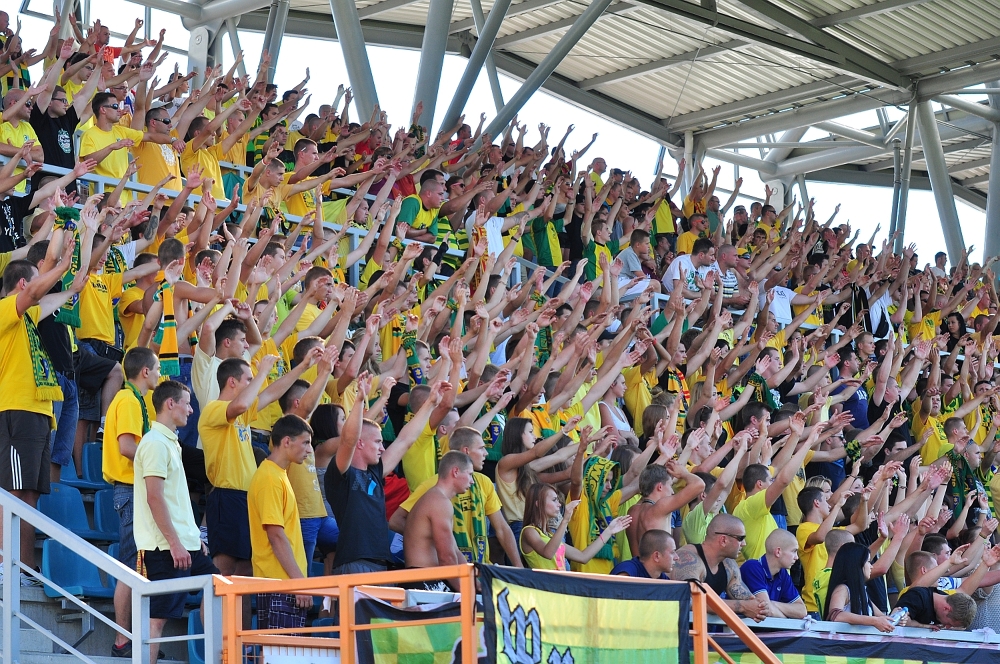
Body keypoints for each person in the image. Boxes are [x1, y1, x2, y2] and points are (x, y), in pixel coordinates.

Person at [197, 353, 317, 576]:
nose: (254, 383)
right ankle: (216, 613)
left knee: (245, 571)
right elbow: (241, 404)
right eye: (249, 379)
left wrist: (301, 366)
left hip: (246, 497)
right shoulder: (214, 409)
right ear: (232, 382)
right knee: (224, 573)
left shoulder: (242, 414)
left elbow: (272, 393)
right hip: (227, 495)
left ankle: (238, 613)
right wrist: (262, 371)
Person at [325, 375, 447, 575]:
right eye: (377, 442)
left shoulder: (375, 472)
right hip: (354, 562)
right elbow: (348, 440)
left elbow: (405, 440)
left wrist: (431, 403)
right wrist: (358, 401)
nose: (382, 448)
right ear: (361, 443)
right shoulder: (341, 474)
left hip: (381, 563)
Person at [134, 381, 218, 664]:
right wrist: (174, 542)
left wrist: (194, 539)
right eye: (187, 402)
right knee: (157, 619)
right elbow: (154, 498)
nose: (191, 409)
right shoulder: (155, 443)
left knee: (218, 587)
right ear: (170, 404)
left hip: (186, 543)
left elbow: (175, 499)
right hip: (165, 547)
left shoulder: (169, 442)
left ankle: (217, 654)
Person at [389, 426, 522, 566]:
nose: (486, 453)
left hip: (479, 568)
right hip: (450, 569)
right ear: (466, 451)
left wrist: (520, 569)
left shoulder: (484, 482)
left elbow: (501, 528)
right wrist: (434, 540)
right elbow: (396, 520)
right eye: (481, 448)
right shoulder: (434, 485)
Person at [103, 347, 159, 658]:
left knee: (140, 566)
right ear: (145, 372)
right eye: (158, 368)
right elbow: (127, 446)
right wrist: (158, 465)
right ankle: (123, 641)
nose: (161, 373)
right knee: (130, 567)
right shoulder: (127, 400)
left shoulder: (134, 400)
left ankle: (137, 639)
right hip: (129, 489)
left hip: (134, 489)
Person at [247, 414, 314, 630]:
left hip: (285, 584)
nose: (309, 450)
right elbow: (275, 535)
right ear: (287, 441)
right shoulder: (270, 478)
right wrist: (299, 583)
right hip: (281, 585)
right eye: (305, 443)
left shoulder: (278, 475)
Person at [671, 514, 768, 621]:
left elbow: (749, 601)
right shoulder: (688, 559)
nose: (744, 544)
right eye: (740, 538)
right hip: (675, 630)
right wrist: (742, 606)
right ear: (723, 540)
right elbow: (690, 600)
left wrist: (760, 607)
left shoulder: (729, 565)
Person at [402, 451, 475, 587]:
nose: (472, 481)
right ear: (455, 472)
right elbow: (446, 558)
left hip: (424, 578)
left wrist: (473, 583)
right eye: (470, 474)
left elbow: (455, 552)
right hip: (422, 580)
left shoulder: (437, 499)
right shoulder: (438, 502)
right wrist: (467, 593)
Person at [519, 482, 631, 571]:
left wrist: (609, 531)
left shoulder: (551, 536)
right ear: (538, 503)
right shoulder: (529, 531)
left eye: (558, 500)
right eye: (554, 500)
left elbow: (583, 557)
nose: (559, 504)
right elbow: (548, 553)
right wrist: (565, 520)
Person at [626, 461, 704, 555]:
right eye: (670, 485)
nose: (672, 492)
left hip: (637, 567)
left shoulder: (632, 510)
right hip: (655, 568)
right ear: (659, 487)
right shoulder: (660, 508)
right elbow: (699, 485)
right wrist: (684, 473)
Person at [825, 542, 899, 631]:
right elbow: (835, 615)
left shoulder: (863, 592)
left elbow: (882, 618)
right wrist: (873, 621)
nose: (871, 566)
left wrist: (896, 617)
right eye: (868, 562)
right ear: (856, 564)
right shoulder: (843, 589)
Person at [739, 529, 807, 618]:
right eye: (794, 551)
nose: (796, 557)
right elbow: (767, 611)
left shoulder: (782, 573)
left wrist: (772, 603)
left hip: (761, 631)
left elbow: (802, 611)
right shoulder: (752, 567)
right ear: (778, 552)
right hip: (736, 630)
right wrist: (788, 621)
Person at [611, 529, 678, 579]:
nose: (677, 557)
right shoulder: (628, 572)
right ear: (656, 556)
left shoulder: (663, 580)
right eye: (672, 552)